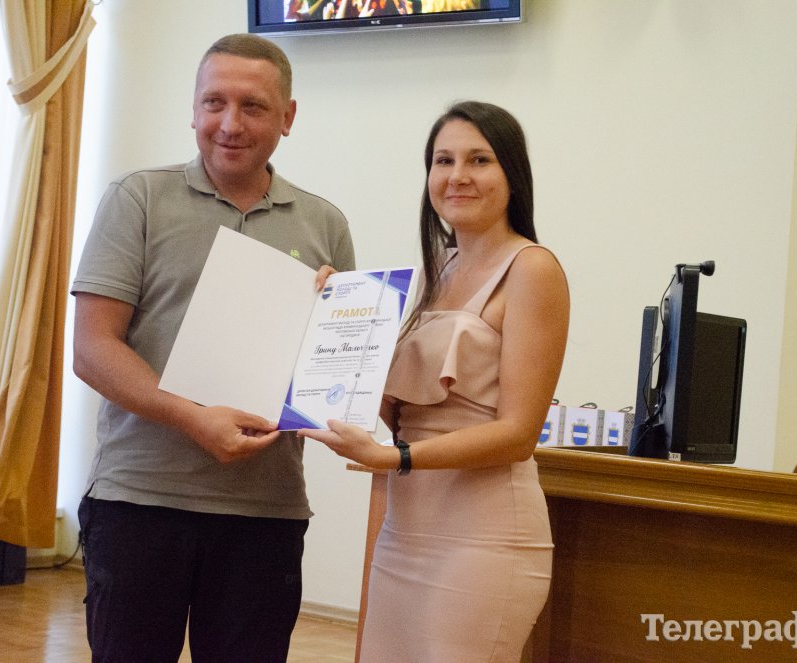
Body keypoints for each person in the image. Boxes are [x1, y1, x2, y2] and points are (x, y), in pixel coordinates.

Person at [70, 33, 355, 663]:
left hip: (267, 511)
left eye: (253, 106)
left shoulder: (325, 224)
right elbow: (92, 349)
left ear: (288, 117)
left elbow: (331, 375)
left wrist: (343, 323)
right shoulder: (138, 197)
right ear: (193, 108)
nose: (229, 123)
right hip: (140, 500)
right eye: (214, 102)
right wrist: (192, 419)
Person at [300, 101, 570, 662]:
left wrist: (392, 457)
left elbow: (518, 434)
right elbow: (404, 411)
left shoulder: (533, 269)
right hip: (405, 531)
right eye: (443, 161)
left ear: (512, 175)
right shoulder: (433, 271)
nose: (457, 176)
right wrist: (332, 318)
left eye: (479, 160)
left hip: (484, 539)